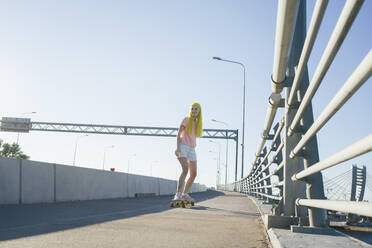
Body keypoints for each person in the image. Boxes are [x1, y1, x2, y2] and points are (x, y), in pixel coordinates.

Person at [174, 102, 203, 202]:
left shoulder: (198, 123)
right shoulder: (186, 120)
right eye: (192, 109)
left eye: (196, 109)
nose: (194, 111)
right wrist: (178, 148)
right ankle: (177, 194)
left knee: (194, 174)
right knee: (185, 170)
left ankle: (184, 194)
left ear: (199, 111)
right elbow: (179, 134)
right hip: (183, 147)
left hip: (192, 149)